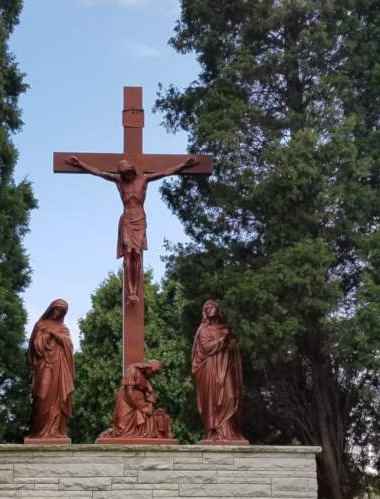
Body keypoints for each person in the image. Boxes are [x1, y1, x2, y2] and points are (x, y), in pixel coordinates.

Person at [66, 155, 198, 304]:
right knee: (128, 252)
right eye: (123, 174)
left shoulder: (144, 179)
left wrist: (184, 165)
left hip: (139, 221)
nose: (125, 176)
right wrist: (79, 164)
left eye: (127, 173)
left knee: (137, 252)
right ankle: (131, 290)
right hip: (127, 221)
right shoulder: (118, 180)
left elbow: (166, 172)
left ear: (132, 171)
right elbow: (97, 172)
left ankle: (135, 289)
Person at [192, 301, 247, 443]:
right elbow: (205, 348)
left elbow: (234, 348)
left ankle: (231, 432)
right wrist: (222, 340)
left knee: (229, 397)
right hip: (211, 369)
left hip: (226, 367)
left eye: (212, 306)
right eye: (207, 308)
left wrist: (231, 344)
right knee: (215, 400)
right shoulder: (203, 330)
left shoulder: (226, 328)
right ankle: (216, 432)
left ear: (218, 309)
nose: (210, 309)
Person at [26, 299, 74, 441]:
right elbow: (36, 347)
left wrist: (54, 334)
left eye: (61, 312)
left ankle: (55, 431)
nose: (57, 313)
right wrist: (46, 335)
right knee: (42, 395)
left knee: (58, 398)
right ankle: (38, 432)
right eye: (56, 309)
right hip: (44, 365)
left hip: (59, 367)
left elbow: (68, 345)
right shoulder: (40, 325)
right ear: (51, 309)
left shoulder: (63, 328)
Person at [97, 360, 172, 440]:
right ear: (149, 367)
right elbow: (129, 392)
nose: (152, 376)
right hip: (127, 400)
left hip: (140, 401)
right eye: (153, 373)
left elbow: (149, 394)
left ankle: (141, 432)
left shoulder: (146, 377)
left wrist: (147, 406)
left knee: (146, 424)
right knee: (123, 431)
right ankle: (110, 432)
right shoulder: (133, 370)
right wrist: (139, 408)